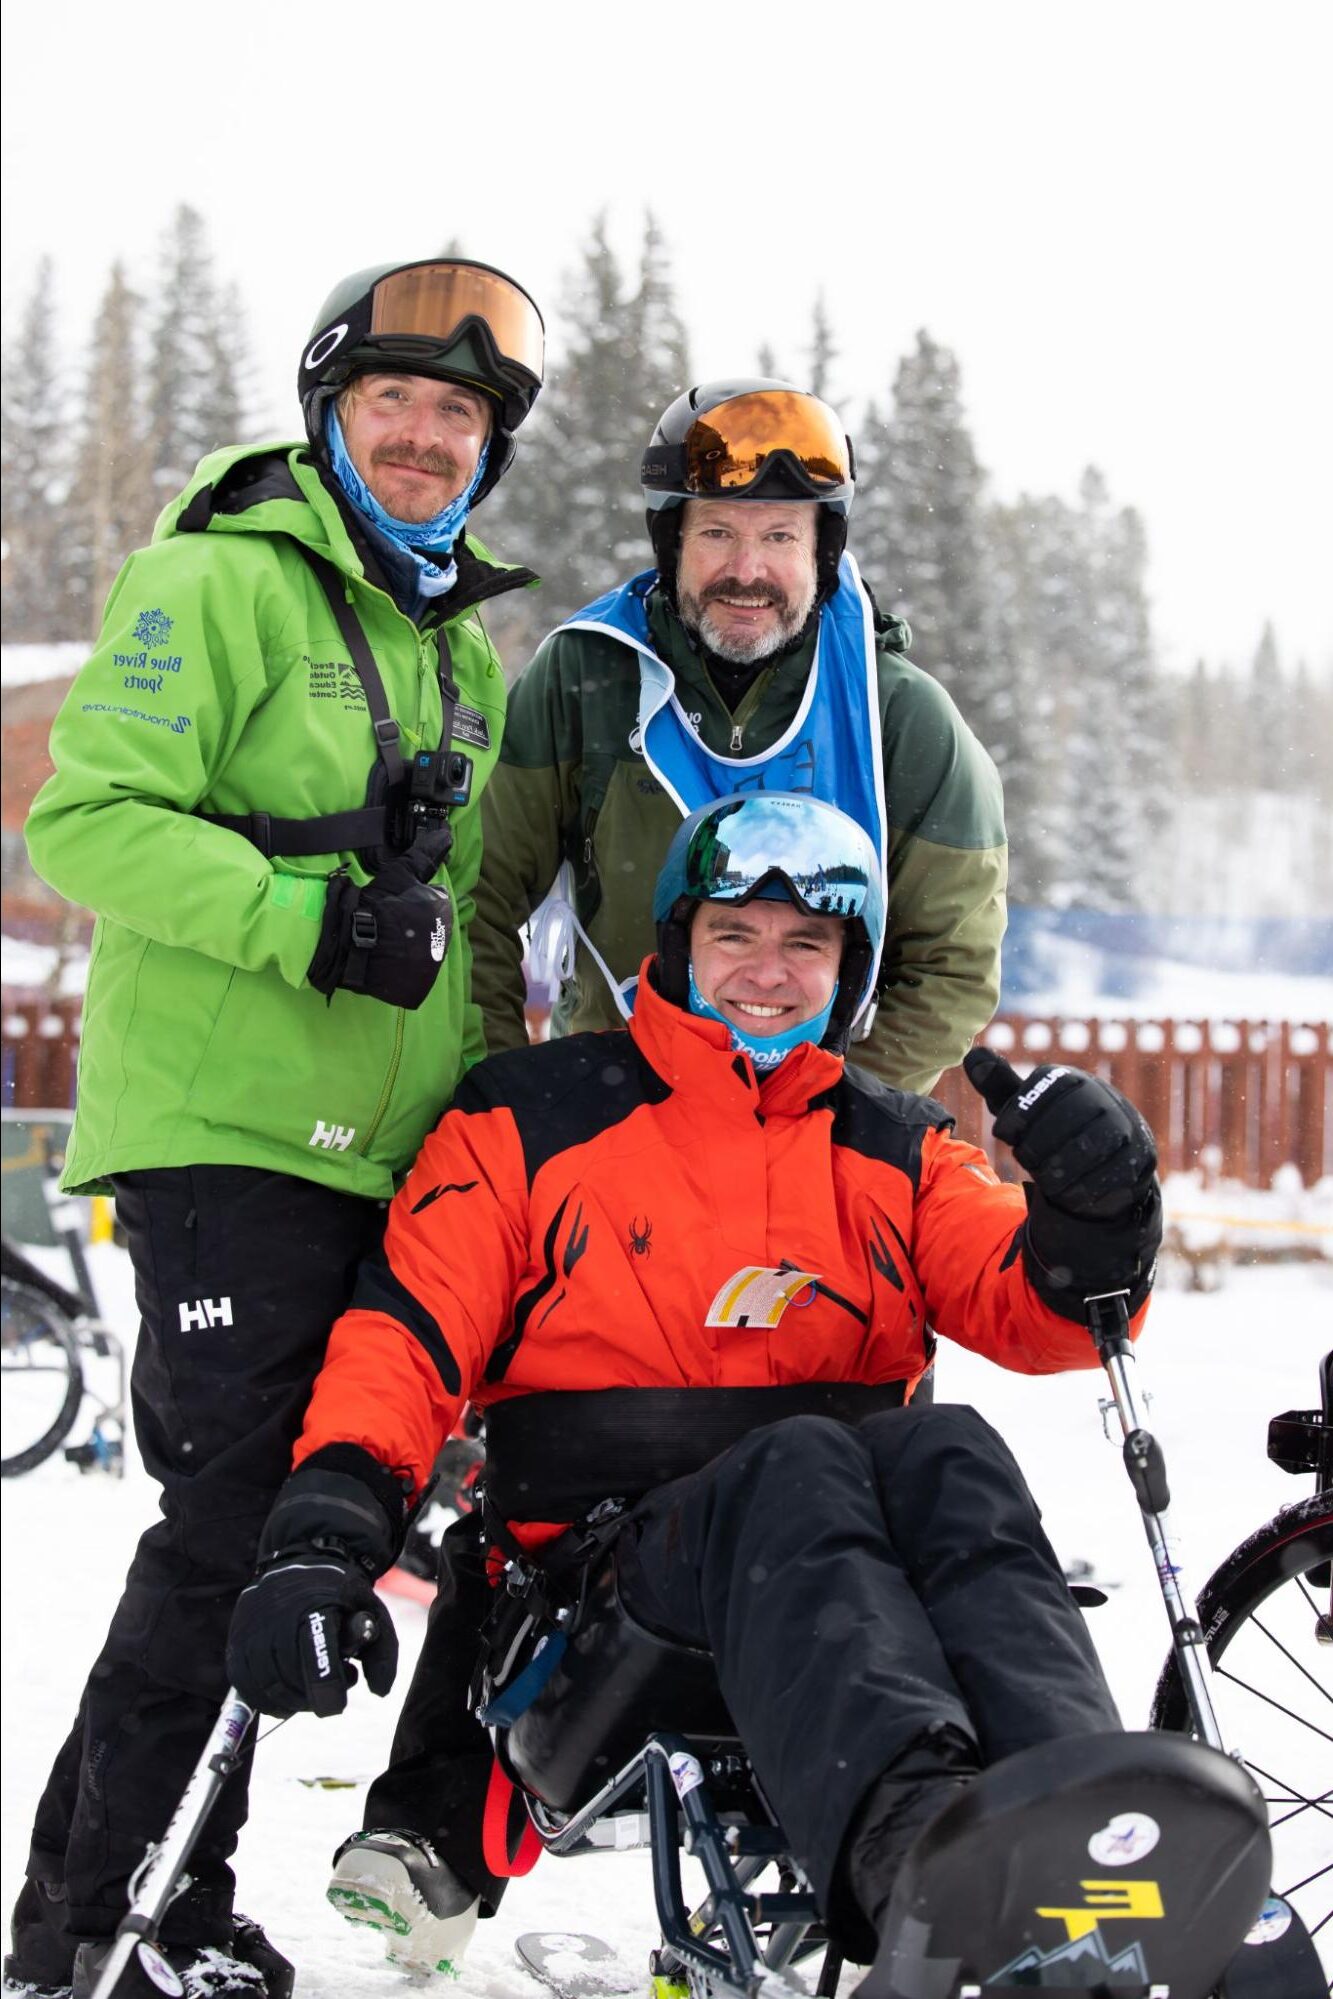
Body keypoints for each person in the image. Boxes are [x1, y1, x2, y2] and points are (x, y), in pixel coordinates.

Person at [225, 792, 1164, 1986]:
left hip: (840, 1587)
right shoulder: (530, 1119)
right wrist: (327, 1528)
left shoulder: (896, 1145)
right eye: (737, 934)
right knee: (800, 1463)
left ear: (849, 968)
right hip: (597, 1616)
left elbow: (1037, 1310)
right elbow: (407, 1336)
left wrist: (1097, 1212)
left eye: (807, 943)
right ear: (675, 944)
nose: (766, 973)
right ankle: (922, 1852)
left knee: (951, 1454)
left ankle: (1087, 1830)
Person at [7, 257, 545, 1999]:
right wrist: (301, 917)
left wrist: (495, 1114)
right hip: (227, 1141)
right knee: (234, 1523)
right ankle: (96, 1922)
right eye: (392, 401)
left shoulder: (454, 649)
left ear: (485, 450)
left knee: (289, 1528)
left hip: (371, 1162)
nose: (421, 434)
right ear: (329, 413)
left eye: (455, 414)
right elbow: (81, 824)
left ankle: (157, 1889)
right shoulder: (217, 580)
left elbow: (461, 935)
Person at [470, 378, 1008, 1096]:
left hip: (806, 1150)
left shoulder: (900, 718)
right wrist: (503, 1095)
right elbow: (476, 893)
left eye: (779, 536)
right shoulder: (587, 676)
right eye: (718, 533)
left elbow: (953, 963)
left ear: (820, 551)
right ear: (673, 542)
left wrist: (835, 1122)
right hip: (608, 1124)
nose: (747, 572)